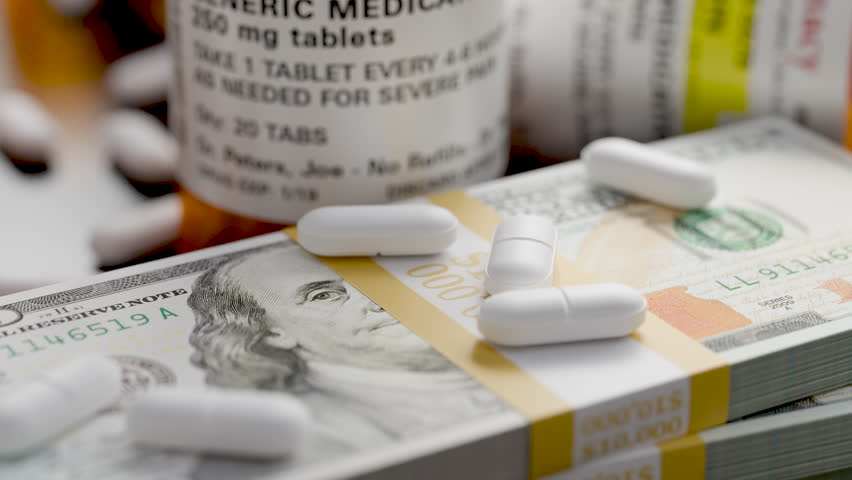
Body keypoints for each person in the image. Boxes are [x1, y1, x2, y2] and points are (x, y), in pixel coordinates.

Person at [187, 240, 506, 458]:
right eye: (323, 296)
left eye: (369, 279)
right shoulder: (313, 436)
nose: (376, 300)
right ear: (271, 333)